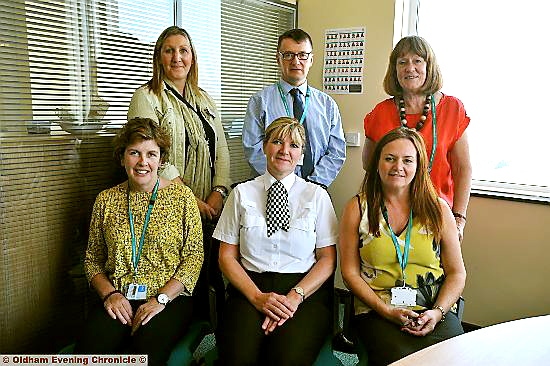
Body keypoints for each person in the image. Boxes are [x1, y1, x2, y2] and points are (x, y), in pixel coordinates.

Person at [75, 118, 204, 366]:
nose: (143, 162)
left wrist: (160, 299)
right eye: (134, 153)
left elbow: (194, 257)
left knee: (143, 356)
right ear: (122, 157)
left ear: (161, 159)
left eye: (151, 154)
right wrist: (110, 294)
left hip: (168, 298)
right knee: (87, 354)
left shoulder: (182, 197)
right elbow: (92, 260)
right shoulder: (106, 200)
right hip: (118, 297)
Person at [213, 117, 338, 365]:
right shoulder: (241, 193)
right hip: (249, 287)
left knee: (284, 359)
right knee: (238, 358)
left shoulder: (317, 196)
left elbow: (327, 260)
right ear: (264, 146)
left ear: (301, 154)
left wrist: (294, 297)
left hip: (302, 291)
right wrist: (258, 297)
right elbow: (226, 257)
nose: (284, 150)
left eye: (294, 146)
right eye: (277, 142)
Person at [127, 26, 231, 321]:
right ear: (158, 57)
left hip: (209, 206)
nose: (177, 57)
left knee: (211, 272)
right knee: (180, 271)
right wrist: (190, 198)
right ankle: (181, 328)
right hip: (167, 203)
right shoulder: (148, 97)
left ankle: (205, 331)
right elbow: (147, 156)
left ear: (192, 57)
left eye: (183, 50)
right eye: (169, 50)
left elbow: (221, 148)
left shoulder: (205, 99)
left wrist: (219, 192)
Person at [340, 127, 467, 366]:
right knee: (403, 361)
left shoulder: (438, 210)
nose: (398, 166)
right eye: (389, 158)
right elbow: (349, 273)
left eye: (407, 160)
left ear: (419, 165)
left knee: (452, 359)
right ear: (377, 163)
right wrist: (386, 311)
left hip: (432, 308)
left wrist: (437, 312)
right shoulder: (357, 208)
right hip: (377, 310)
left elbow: (457, 273)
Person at [362, 36, 471, 241]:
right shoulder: (380, 112)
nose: (409, 68)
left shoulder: (452, 109)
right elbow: (369, 165)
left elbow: (462, 169)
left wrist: (459, 219)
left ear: (429, 66)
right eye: (402, 62)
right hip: (389, 218)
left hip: (437, 218)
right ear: (394, 70)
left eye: (417, 61)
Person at [243, 28, 346, 188]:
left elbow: (336, 151)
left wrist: (314, 184)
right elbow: (252, 148)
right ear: (278, 59)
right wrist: (282, 181)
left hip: (316, 189)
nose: (296, 62)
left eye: (303, 55)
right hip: (272, 188)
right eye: (288, 55)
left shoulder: (327, 105)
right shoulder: (260, 101)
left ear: (311, 60)